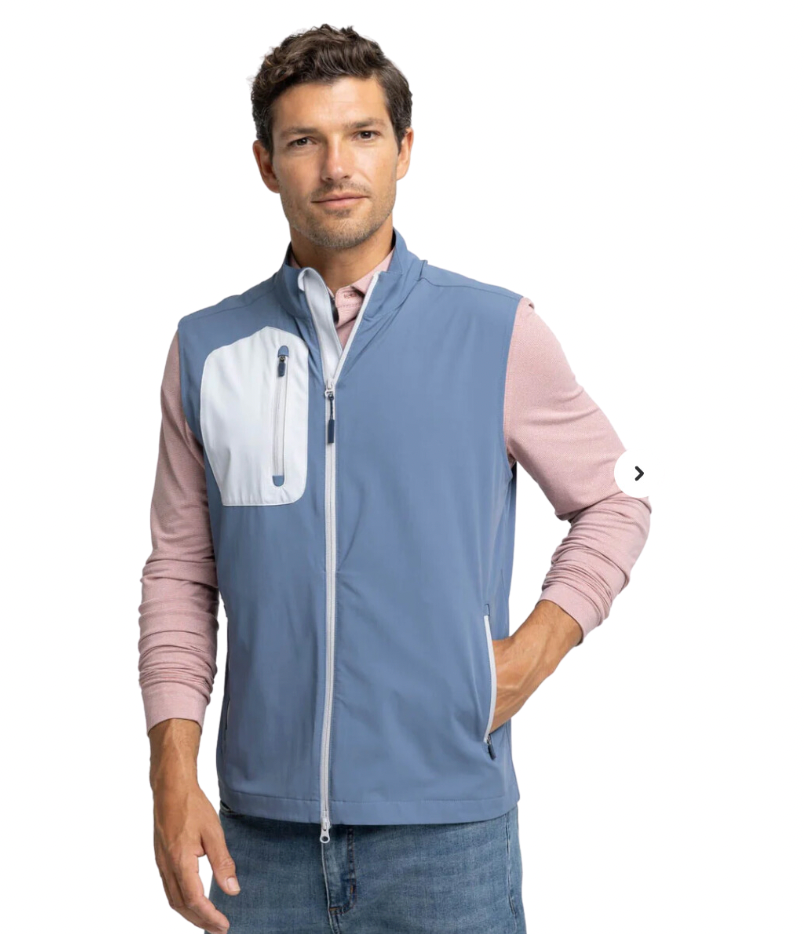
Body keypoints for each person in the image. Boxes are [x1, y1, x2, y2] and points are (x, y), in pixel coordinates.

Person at [138, 23, 652, 934]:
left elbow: (615, 499)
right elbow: (181, 572)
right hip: (260, 841)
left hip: (448, 842)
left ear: (404, 150)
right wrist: (172, 777)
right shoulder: (207, 349)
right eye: (305, 140)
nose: (337, 166)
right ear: (265, 164)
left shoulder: (497, 331)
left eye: (364, 134)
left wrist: (532, 652)